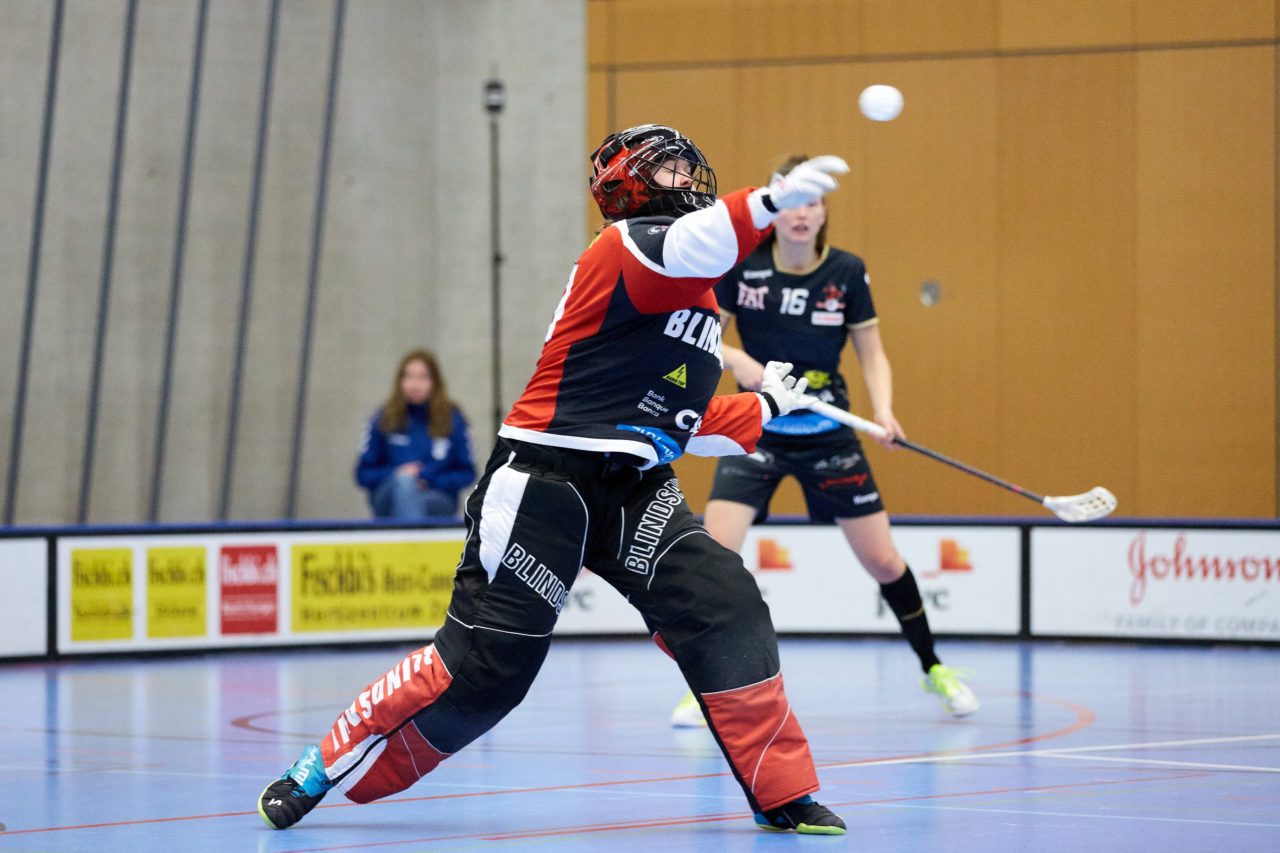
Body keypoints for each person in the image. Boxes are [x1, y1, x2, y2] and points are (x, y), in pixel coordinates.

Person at [258, 126, 852, 835]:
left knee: (727, 606)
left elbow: (674, 419)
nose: (683, 168)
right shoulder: (629, 247)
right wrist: (767, 202)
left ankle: (781, 791)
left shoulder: (695, 303)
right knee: (487, 669)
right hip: (546, 479)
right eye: (663, 163)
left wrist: (771, 405)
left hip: (634, 484)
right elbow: (705, 242)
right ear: (624, 185)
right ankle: (320, 763)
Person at [670, 155, 978, 729]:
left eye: (812, 203)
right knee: (714, 558)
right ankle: (707, 686)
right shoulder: (745, 269)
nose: (802, 214)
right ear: (776, 208)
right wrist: (746, 365)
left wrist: (884, 411)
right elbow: (706, 339)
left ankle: (934, 666)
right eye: (792, 202)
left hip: (829, 431)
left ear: (823, 212)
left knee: (884, 561)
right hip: (757, 429)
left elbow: (872, 353)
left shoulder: (846, 272)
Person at [355, 348, 476, 519]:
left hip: (437, 495)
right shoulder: (382, 418)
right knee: (404, 485)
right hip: (388, 494)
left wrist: (427, 479)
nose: (414, 384)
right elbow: (363, 474)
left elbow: (467, 473)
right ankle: (413, 542)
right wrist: (398, 475)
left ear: (434, 381)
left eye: (422, 377)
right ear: (400, 382)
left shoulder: (453, 419)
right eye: (409, 376)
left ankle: (404, 541)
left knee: (418, 500)